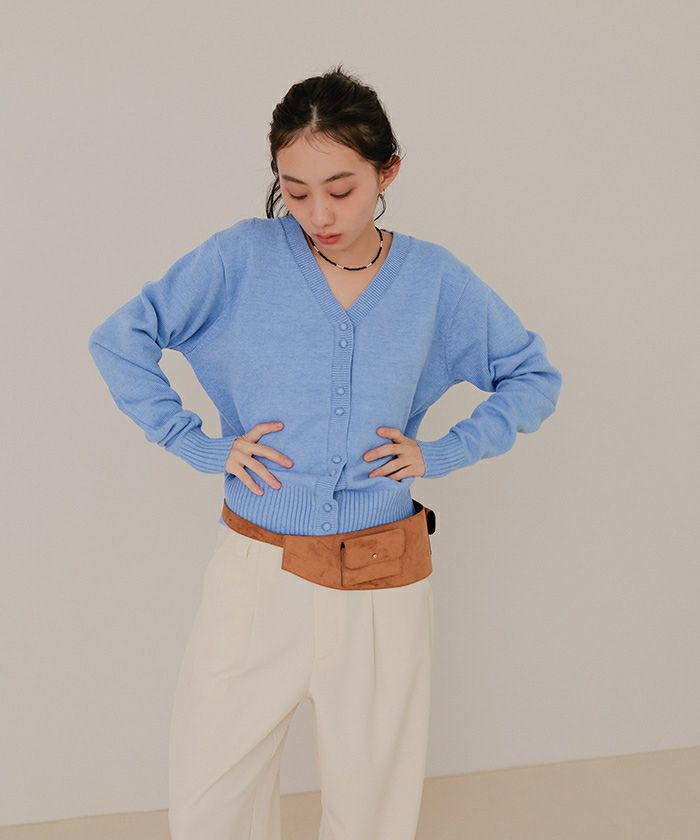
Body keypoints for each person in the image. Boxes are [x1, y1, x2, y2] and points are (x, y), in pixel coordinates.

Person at [88, 63, 562, 840]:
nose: (318, 213)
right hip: (257, 565)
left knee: (372, 803)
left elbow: (533, 376)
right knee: (212, 794)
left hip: (383, 573)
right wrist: (197, 443)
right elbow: (121, 339)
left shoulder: (434, 281)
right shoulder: (241, 258)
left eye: (341, 190)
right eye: (295, 190)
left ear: (387, 172)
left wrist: (443, 452)